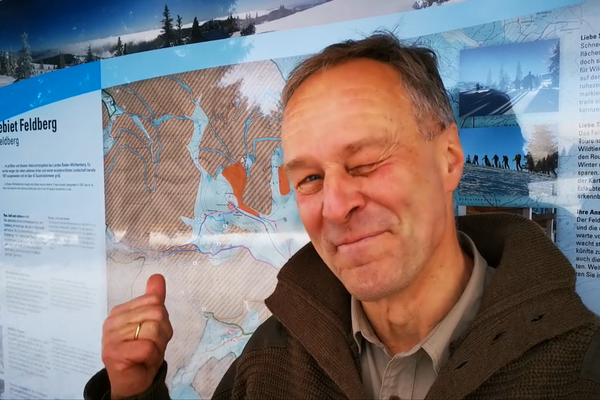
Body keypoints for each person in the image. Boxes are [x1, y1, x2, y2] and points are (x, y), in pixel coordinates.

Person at [84, 31, 600, 400]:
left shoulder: (580, 367)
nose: (334, 207)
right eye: (309, 178)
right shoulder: (270, 360)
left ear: (448, 159)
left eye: (367, 163)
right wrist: (134, 392)